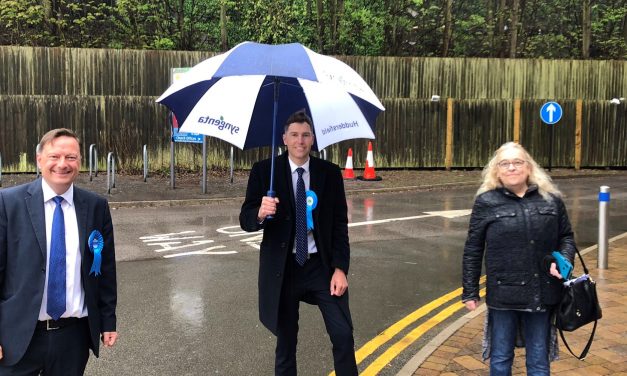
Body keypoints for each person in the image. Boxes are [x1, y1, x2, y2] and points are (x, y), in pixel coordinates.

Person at [240, 110, 358, 376]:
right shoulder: (264, 172)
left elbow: (340, 225)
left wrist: (340, 268)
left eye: (305, 135)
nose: (300, 141)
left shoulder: (329, 173)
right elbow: (245, 219)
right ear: (284, 138)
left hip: (320, 266)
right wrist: (260, 211)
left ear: (312, 139)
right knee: (286, 343)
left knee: (342, 334)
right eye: (294, 135)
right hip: (283, 270)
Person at [0, 128, 118, 375]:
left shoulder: (96, 207)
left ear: (80, 162)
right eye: (54, 156)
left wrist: (108, 320)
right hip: (18, 335)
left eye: (71, 157)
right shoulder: (8, 203)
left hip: (72, 338)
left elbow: (105, 269)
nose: (63, 164)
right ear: (39, 160)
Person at [461, 142, 576, 375]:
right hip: (504, 294)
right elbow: (473, 247)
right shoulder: (486, 202)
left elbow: (566, 236)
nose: (512, 167)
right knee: (501, 358)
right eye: (505, 163)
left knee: (538, 361)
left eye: (518, 162)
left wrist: (564, 260)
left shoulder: (550, 199)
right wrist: (470, 291)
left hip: (542, 292)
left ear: (528, 167)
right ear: (497, 170)